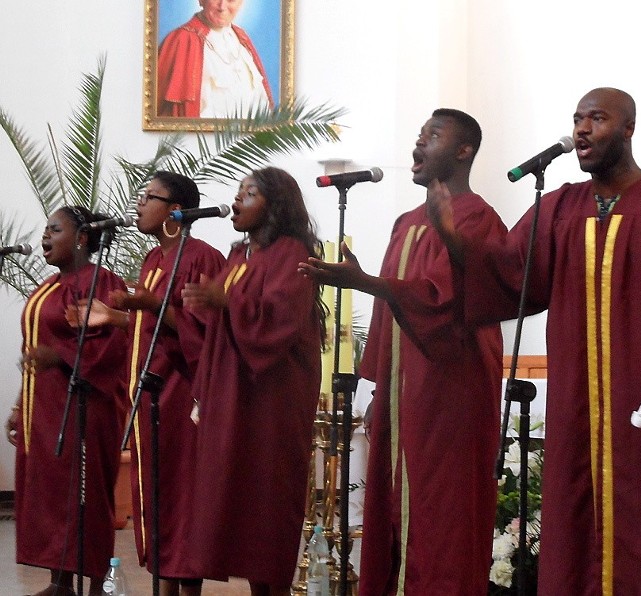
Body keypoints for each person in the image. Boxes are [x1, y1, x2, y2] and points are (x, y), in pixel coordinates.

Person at [426, 88, 641, 594]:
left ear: (628, 129)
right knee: (573, 531)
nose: (582, 130)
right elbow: (510, 274)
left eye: (597, 118)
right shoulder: (557, 207)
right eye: (577, 120)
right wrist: (454, 237)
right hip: (576, 410)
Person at [299, 108, 507, 595]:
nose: (417, 147)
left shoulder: (478, 219)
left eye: (431, 137)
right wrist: (378, 389)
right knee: (391, 514)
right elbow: (395, 308)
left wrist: (368, 282)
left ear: (463, 150)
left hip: (451, 397)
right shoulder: (405, 223)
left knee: (442, 520)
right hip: (400, 398)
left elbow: (453, 304)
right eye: (417, 136)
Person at [67, 172, 226, 595]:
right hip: (152, 396)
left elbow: (207, 332)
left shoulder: (201, 257)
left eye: (149, 197)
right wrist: (116, 316)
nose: (138, 204)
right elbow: (151, 328)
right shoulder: (155, 260)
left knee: (181, 498)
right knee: (157, 498)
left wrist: (150, 303)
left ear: (176, 210)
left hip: (182, 394)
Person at [182, 167, 324, 595]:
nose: (237, 200)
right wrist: (208, 304)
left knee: (267, 499)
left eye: (250, 193)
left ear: (276, 203)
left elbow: (281, 320)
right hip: (232, 394)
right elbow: (223, 321)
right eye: (238, 192)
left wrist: (225, 300)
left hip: (272, 399)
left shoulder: (293, 252)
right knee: (231, 497)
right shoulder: (239, 256)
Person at [5, 206, 128, 596]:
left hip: (86, 405)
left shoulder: (103, 282)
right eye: (45, 229)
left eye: (54, 230)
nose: (44, 237)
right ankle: (60, 581)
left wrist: (59, 357)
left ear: (81, 238)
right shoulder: (48, 286)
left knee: (86, 495)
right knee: (54, 495)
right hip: (45, 407)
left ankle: (95, 585)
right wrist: (20, 405)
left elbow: (112, 345)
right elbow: (34, 350)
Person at [157, 0, 274, 118]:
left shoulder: (242, 38)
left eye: (231, 0)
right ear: (201, 1)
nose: (222, 7)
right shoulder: (181, 40)